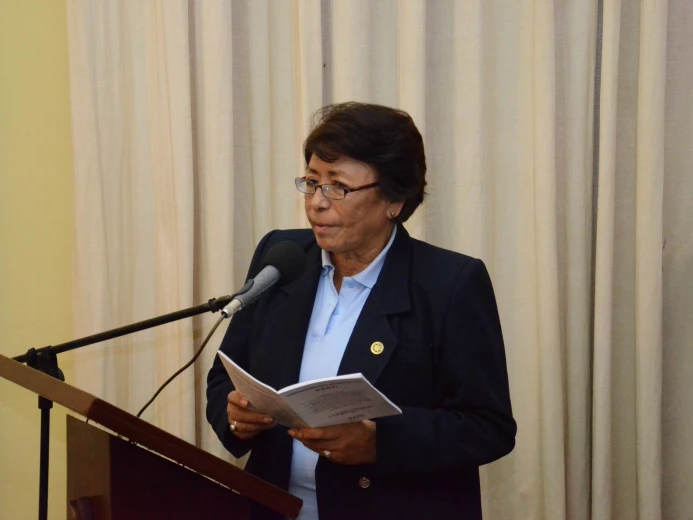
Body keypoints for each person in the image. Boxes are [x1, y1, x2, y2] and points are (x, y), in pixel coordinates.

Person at [206, 102, 516, 520]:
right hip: (276, 507)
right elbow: (225, 374)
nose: (316, 203)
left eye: (338, 187)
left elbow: (488, 427)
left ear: (394, 198)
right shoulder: (283, 256)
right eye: (311, 182)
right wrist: (236, 414)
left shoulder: (449, 284)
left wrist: (380, 442)